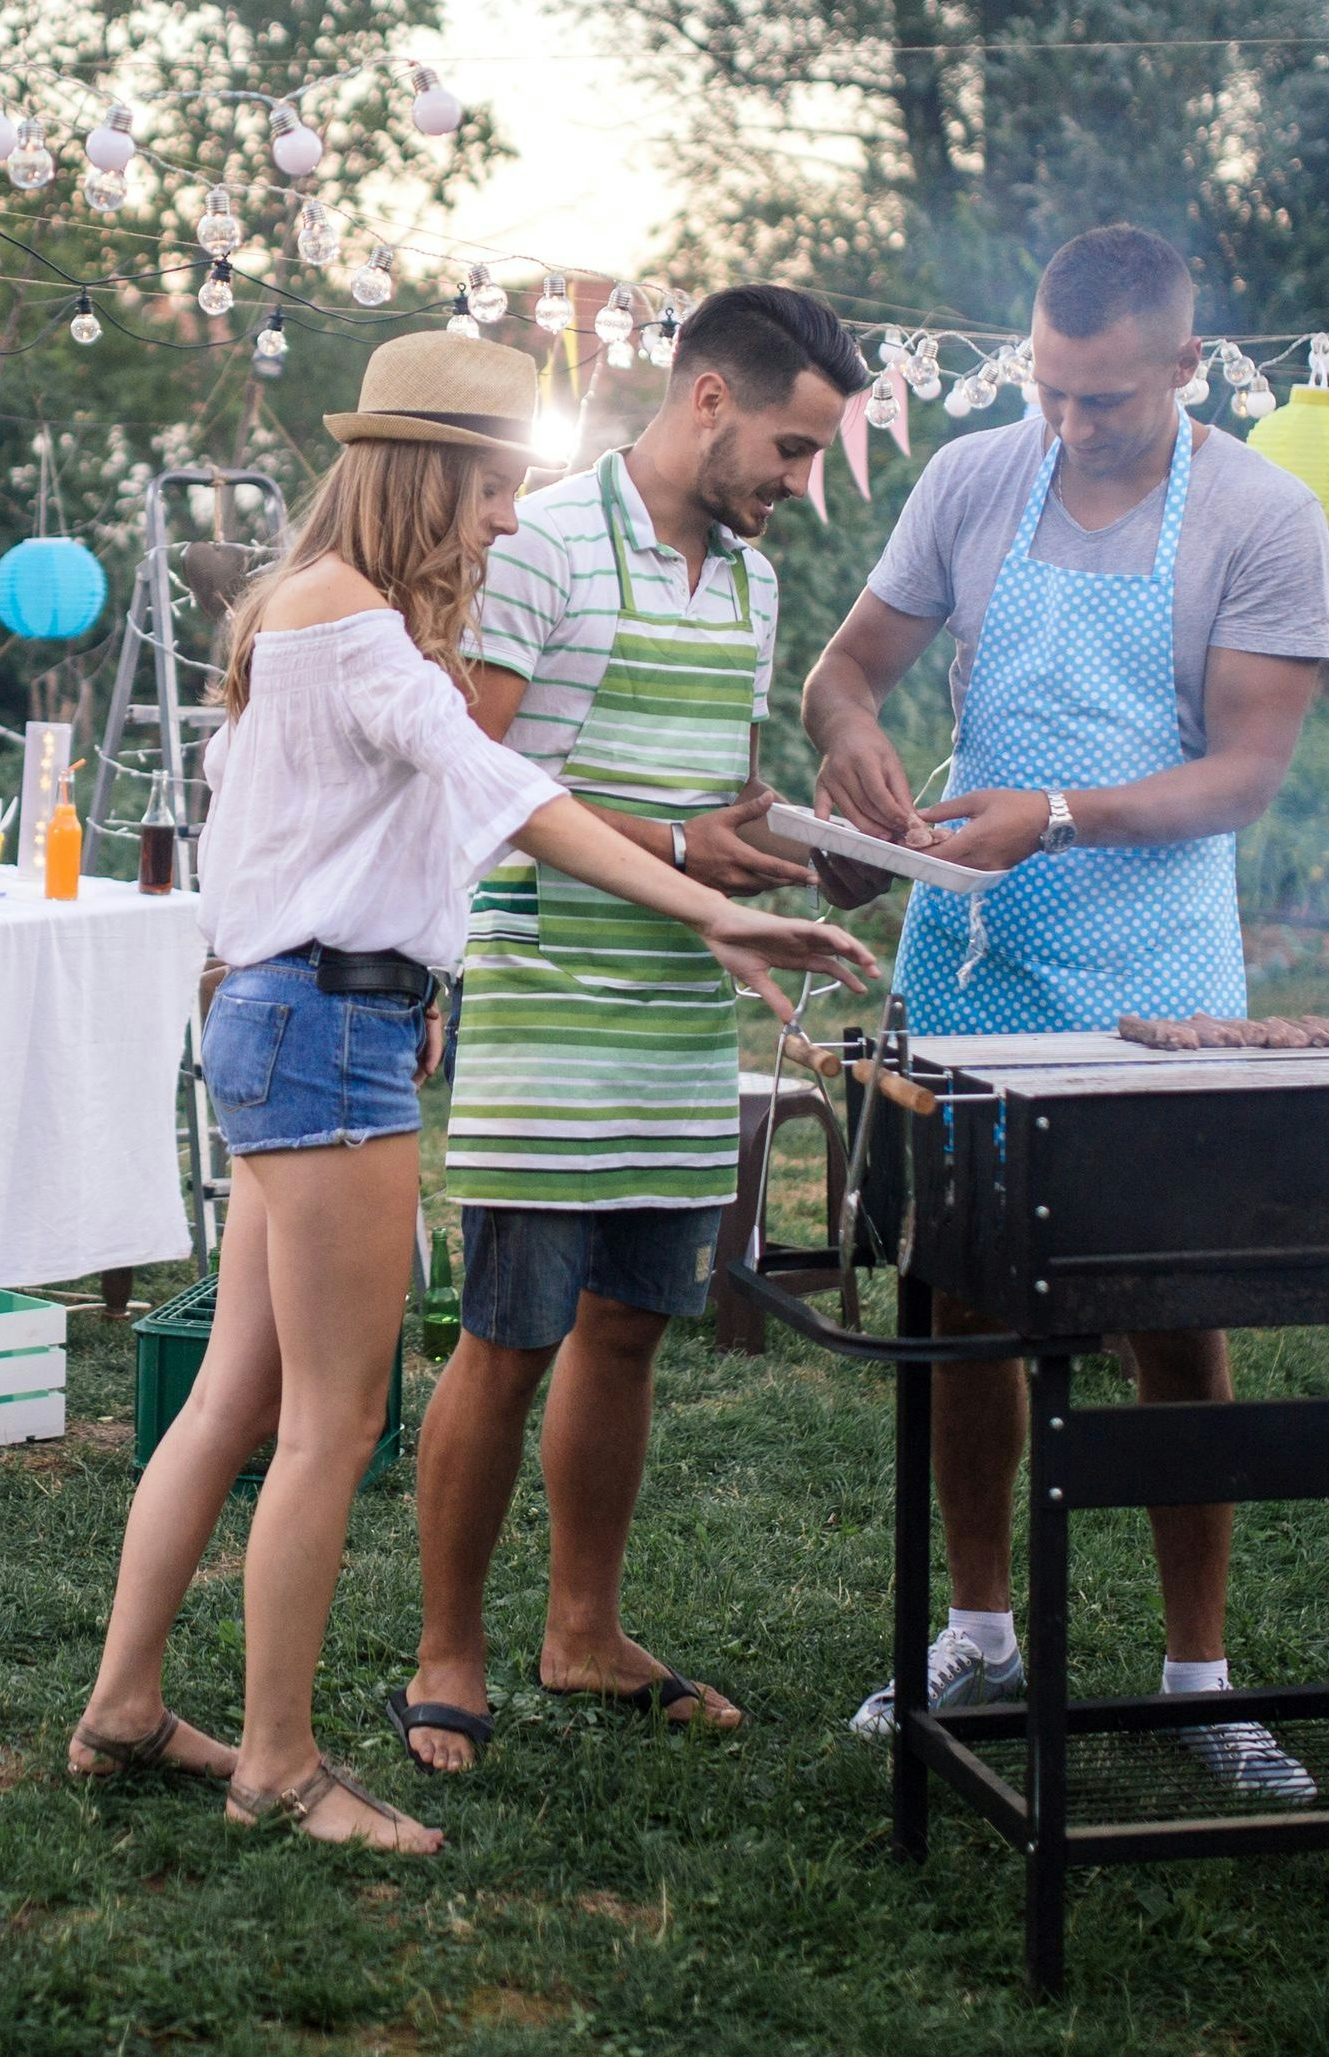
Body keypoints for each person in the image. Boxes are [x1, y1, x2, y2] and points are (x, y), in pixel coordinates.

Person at [65, 332, 878, 1854]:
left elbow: (365, 834)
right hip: (325, 1031)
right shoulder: (358, 629)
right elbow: (510, 792)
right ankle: (284, 1763)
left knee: (242, 1394)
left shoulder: (303, 617)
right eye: (497, 487)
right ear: (431, 470)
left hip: (289, 1010)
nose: (510, 519)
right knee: (331, 1419)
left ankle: (123, 1703)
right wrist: (714, 903)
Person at [797, 224, 1329, 1795]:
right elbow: (850, 667)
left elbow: (1243, 775)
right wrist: (852, 752)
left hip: (1156, 978)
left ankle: (1200, 1674)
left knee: (1178, 1323)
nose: (1072, 425)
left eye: (1105, 400)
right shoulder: (973, 477)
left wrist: (1058, 811)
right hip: (963, 966)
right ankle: (979, 1630)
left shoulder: (1264, 513)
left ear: (1184, 366)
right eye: (1049, 389)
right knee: (961, 1301)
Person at [387, 284, 870, 1775]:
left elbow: (703, 811)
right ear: (710, 398)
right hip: (542, 1002)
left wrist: (775, 876)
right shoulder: (532, 542)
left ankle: (583, 1631)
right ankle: (447, 1650)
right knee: (508, 1335)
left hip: (672, 1008)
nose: (800, 484)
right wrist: (682, 849)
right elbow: (468, 788)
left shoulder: (750, 583)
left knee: (632, 1333)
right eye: (791, 449)